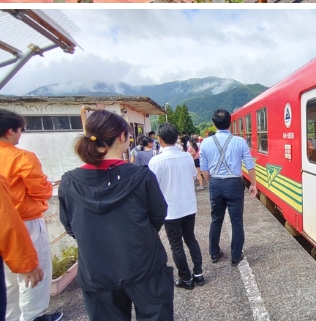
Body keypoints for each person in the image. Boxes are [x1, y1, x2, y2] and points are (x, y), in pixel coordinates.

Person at [58, 109, 173, 321]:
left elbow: (71, 226)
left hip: (96, 271)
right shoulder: (141, 176)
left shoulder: (69, 182)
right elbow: (158, 215)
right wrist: (137, 235)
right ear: (122, 137)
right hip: (144, 266)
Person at [0, 109, 61, 321]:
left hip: (2, 226)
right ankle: (33, 316)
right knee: (34, 274)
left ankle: (11, 316)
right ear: (10, 131)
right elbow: (40, 190)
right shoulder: (22, 157)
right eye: (20, 130)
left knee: (7, 280)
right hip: (26, 222)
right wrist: (47, 183)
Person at [148, 124, 204, 290]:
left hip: (170, 209)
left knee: (176, 244)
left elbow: (153, 187)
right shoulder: (187, 157)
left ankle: (185, 278)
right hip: (189, 206)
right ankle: (199, 274)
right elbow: (194, 175)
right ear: (177, 138)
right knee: (190, 238)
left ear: (159, 139)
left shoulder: (156, 161)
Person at [198, 109, 256, 266]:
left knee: (216, 219)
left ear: (214, 124)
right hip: (234, 184)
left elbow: (204, 169)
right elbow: (250, 164)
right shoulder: (240, 141)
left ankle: (214, 253)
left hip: (216, 183)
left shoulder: (205, 143)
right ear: (230, 122)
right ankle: (236, 256)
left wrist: (212, 182)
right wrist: (253, 184)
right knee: (236, 221)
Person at [0, 175, 41, 318]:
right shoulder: (22, 157)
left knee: (10, 285)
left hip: (16, 226)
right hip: (27, 219)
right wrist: (26, 263)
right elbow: (5, 221)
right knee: (30, 283)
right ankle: (31, 317)